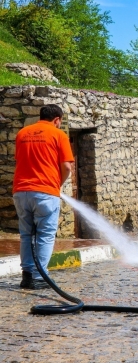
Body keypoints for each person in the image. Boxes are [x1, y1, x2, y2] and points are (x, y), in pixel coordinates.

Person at [13, 105, 74, 290]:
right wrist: (58, 185)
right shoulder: (58, 135)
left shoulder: (22, 134)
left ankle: (27, 276)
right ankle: (40, 277)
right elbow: (67, 167)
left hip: (20, 191)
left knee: (26, 235)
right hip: (45, 192)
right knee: (45, 236)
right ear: (57, 119)